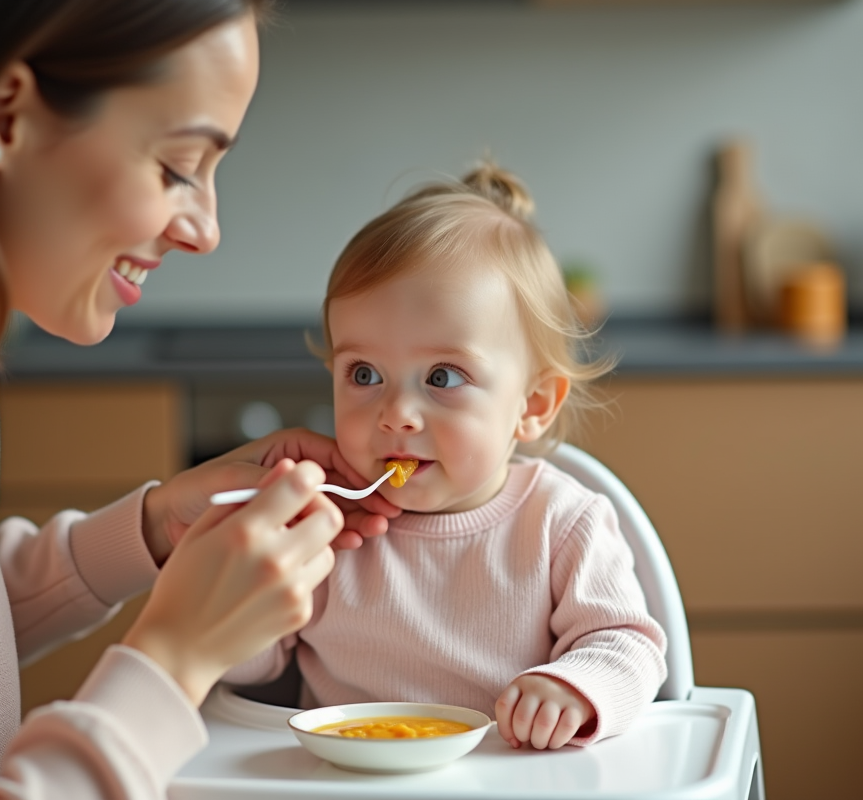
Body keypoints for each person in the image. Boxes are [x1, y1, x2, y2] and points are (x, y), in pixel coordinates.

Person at [0, 1, 401, 798]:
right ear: (4, 117)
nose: (205, 229)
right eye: (180, 166)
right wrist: (175, 657)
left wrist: (153, 529)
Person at [222, 163, 669, 751]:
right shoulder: (327, 524)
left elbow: (628, 644)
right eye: (364, 373)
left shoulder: (562, 523)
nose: (396, 413)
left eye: (441, 376)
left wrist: (573, 689)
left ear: (532, 405)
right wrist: (235, 579)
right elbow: (242, 668)